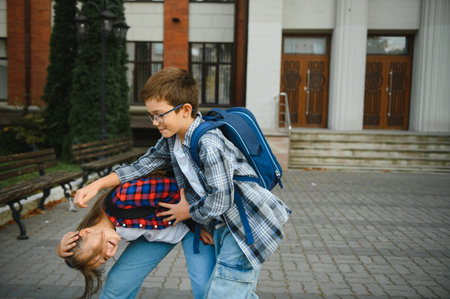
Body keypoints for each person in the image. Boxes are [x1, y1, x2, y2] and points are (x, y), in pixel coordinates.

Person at [74, 67, 291, 298]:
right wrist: (96, 185)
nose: (155, 122)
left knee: (225, 291)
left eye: (159, 114)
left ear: (185, 110)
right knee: (231, 292)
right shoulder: (172, 140)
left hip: (243, 224)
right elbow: (140, 167)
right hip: (220, 225)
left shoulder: (208, 143)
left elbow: (221, 200)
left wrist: (188, 212)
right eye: (151, 115)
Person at [57, 174, 215, 299]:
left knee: (204, 289)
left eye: (97, 251)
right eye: (104, 259)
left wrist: (192, 220)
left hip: (195, 225)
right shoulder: (105, 232)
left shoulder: (122, 198)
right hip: (160, 234)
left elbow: (182, 189)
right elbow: (82, 254)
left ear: (85, 232)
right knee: (117, 284)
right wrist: (64, 256)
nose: (110, 254)